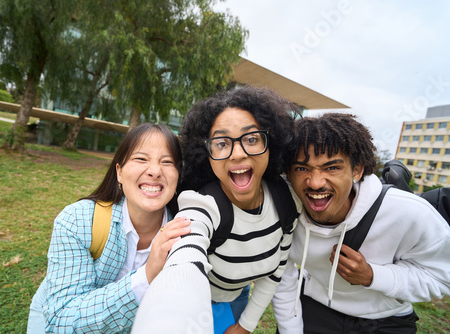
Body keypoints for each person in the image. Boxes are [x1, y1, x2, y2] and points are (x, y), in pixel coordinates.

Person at [131, 86, 302, 333]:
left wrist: (246, 325)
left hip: (237, 299)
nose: (238, 153)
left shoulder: (287, 200)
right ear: (207, 154)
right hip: (198, 306)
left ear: (270, 142)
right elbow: (185, 258)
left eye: (251, 139)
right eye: (222, 143)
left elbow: (276, 271)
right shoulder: (202, 205)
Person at [273, 113, 450, 333]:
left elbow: (441, 278)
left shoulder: (410, 212)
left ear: (356, 170)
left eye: (332, 168)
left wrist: (372, 276)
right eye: (302, 168)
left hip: (386, 319)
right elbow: (283, 276)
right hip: (315, 308)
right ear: (288, 173)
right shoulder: (283, 209)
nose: (316, 183)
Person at [27, 123, 191, 333]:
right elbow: (62, 320)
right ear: (119, 172)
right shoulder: (77, 220)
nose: (155, 171)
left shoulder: (184, 233)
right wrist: (147, 276)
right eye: (141, 159)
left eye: (167, 162)